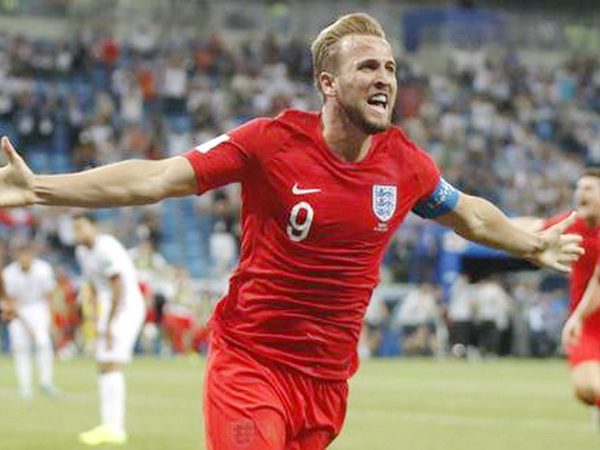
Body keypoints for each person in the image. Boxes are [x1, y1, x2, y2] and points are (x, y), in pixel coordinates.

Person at [0, 12, 584, 450]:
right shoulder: (269, 143)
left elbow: (470, 214)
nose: (384, 79)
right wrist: (40, 188)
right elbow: (155, 178)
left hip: (327, 384)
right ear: (328, 84)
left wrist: (533, 243)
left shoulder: (406, 163)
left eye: (390, 68)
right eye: (367, 67)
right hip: (251, 364)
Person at [516, 167, 600, 428]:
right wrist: (487, 226)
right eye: (579, 188)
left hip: (583, 315)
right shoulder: (573, 223)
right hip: (588, 324)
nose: (580, 193)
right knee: (584, 389)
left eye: (589, 188)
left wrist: (577, 317)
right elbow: (535, 227)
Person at [72, 214, 146, 446]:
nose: (77, 233)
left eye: (81, 227)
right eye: (74, 229)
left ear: (94, 227)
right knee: (103, 363)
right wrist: (96, 321)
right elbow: (93, 288)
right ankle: (108, 425)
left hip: (126, 305)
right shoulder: (82, 252)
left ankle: (116, 429)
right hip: (109, 306)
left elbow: (119, 287)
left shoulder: (107, 248)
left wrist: (111, 324)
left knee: (111, 362)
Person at [0, 241, 58, 399]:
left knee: (43, 344)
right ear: (17, 256)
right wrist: (26, 324)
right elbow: (10, 300)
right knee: (20, 348)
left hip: (39, 308)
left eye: (27, 254)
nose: (24, 258)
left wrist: (51, 319)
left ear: (32, 254)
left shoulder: (44, 269)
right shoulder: (9, 273)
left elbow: (49, 296)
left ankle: (46, 382)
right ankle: (25, 387)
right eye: (21, 254)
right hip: (18, 311)